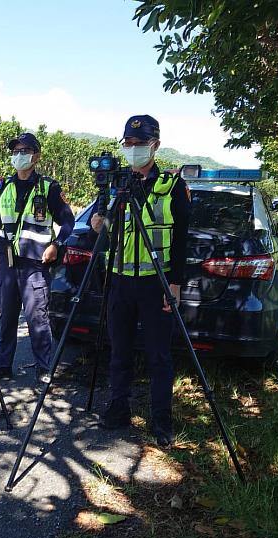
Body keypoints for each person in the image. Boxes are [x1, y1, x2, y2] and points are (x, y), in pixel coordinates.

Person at [90, 115, 191, 447]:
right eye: (128, 144)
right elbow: (106, 230)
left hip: (156, 283)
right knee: (118, 350)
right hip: (119, 281)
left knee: (159, 355)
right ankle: (118, 408)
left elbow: (181, 241)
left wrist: (175, 284)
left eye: (139, 144)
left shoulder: (172, 187)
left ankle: (161, 420)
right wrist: (98, 222)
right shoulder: (118, 186)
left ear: (155, 146)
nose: (132, 150)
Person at [0, 132, 74, 387]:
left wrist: (57, 244)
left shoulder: (49, 188)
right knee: (6, 317)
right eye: (16, 151)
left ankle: (44, 368)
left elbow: (68, 222)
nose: (19, 156)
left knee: (37, 319)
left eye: (25, 151)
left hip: (35, 265)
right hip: (7, 264)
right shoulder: (3, 187)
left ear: (36, 156)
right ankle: (2, 365)